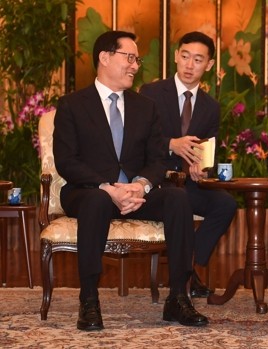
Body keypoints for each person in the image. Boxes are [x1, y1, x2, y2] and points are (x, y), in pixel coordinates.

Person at [53, 30, 208, 331]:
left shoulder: (144, 107)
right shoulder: (72, 104)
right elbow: (67, 161)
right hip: (89, 193)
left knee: (178, 198)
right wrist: (107, 187)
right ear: (105, 57)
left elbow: (157, 159)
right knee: (97, 201)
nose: (135, 66)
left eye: (137, 60)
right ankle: (89, 301)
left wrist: (141, 185)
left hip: (135, 193)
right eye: (130, 58)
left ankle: (178, 296)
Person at [140, 31, 237, 298]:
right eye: (184, 56)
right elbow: (137, 140)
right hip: (155, 183)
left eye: (197, 59)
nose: (189, 65)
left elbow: (209, 149)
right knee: (178, 199)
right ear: (176, 56)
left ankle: (188, 265)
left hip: (189, 184)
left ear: (209, 65)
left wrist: (203, 167)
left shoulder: (210, 107)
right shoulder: (151, 93)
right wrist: (172, 143)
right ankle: (186, 275)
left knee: (226, 204)